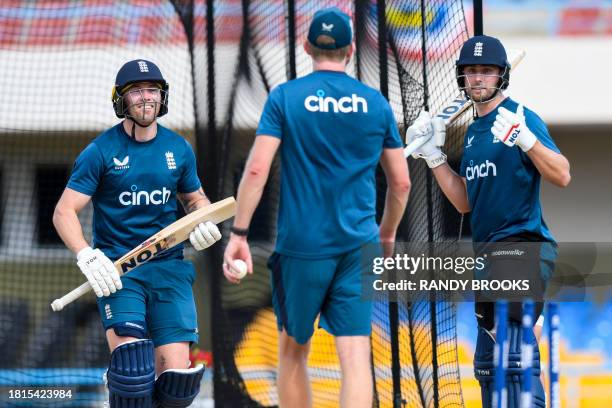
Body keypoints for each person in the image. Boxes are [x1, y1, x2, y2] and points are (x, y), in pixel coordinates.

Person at [222, 7, 410, 408]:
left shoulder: (286, 98)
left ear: (306, 46)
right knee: (356, 358)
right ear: (351, 49)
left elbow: (256, 169)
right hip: (359, 244)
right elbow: (402, 182)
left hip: (301, 246)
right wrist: (388, 231)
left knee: (292, 350)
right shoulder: (375, 104)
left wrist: (239, 233)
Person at [405, 35, 570, 407]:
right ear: (462, 77)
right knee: (488, 363)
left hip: (523, 246)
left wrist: (525, 139)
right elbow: (465, 202)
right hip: (487, 255)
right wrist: (434, 157)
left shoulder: (520, 116)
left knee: (513, 357)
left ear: (501, 76)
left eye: (487, 71)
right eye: (471, 71)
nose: (479, 78)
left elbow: (562, 174)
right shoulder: (475, 134)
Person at [53, 59, 221, 407]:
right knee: (133, 375)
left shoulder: (178, 149)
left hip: (171, 272)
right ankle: (120, 385)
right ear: (121, 100)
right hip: (119, 274)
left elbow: (195, 199)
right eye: (137, 91)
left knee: (176, 384)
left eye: (152, 91)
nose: (146, 98)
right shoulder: (100, 152)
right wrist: (86, 254)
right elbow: (63, 211)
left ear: (162, 97)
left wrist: (204, 221)